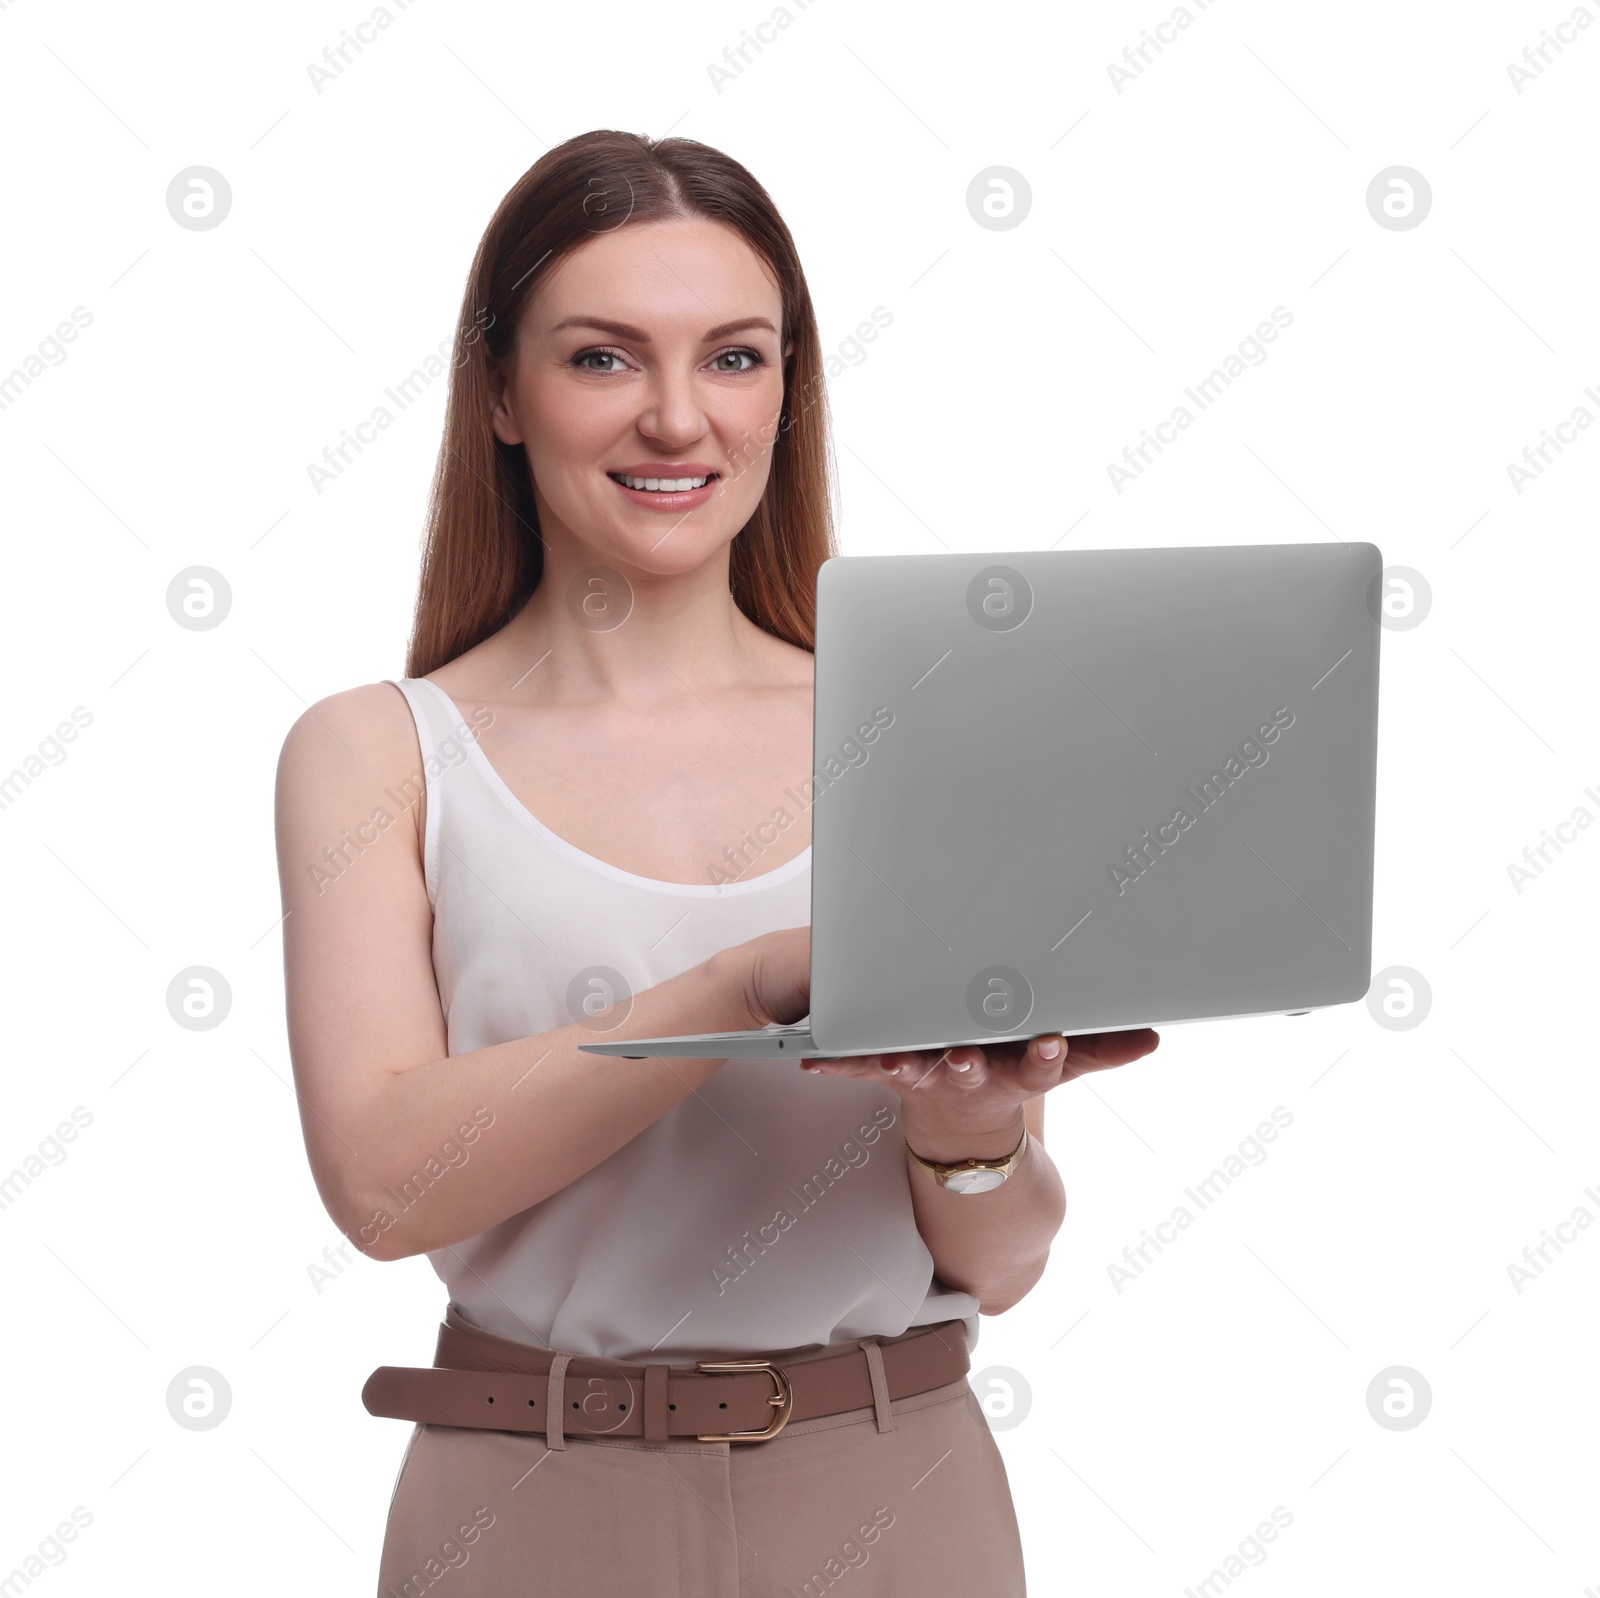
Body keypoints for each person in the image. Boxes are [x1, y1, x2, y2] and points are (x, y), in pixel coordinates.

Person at [273, 128, 1159, 1597]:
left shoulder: (921, 730)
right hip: (527, 1498)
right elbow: (382, 1183)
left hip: (895, 1484)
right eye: (605, 359)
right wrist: (741, 984)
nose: (678, 419)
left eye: (735, 358)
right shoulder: (377, 754)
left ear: (788, 393)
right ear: (501, 391)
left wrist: (974, 1131)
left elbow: (1000, 1262)